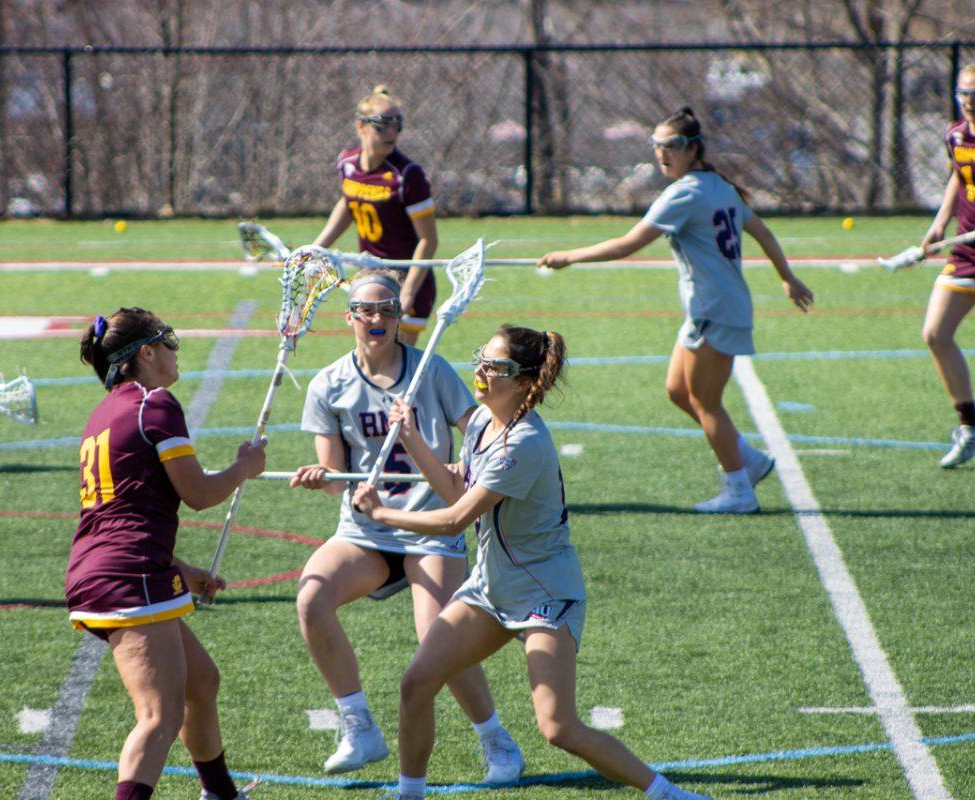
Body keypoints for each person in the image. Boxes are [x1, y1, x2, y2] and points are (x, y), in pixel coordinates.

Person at [353, 325, 712, 800]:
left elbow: (455, 519)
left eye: (495, 367)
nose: (480, 372)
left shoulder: (523, 444)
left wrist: (380, 512)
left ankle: (667, 794)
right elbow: (457, 486)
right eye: (481, 359)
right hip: (491, 588)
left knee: (557, 727)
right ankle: (410, 794)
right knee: (417, 682)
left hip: (545, 592)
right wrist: (413, 437)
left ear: (523, 381)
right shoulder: (482, 421)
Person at [290, 270, 524, 784]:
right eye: (366, 311)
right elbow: (336, 480)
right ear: (349, 316)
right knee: (311, 597)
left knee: (437, 637)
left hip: (430, 526)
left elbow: (479, 427)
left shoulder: (431, 372)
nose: (377, 319)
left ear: (400, 317)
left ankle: (496, 741)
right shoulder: (329, 383)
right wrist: (322, 478)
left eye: (387, 310)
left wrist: (472, 468)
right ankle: (359, 726)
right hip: (365, 531)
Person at [539, 107, 813, 513]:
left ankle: (739, 491)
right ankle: (748, 460)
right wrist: (786, 277)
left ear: (693, 148)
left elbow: (628, 244)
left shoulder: (685, 193)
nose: (662, 154)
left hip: (714, 309)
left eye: (672, 146)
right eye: (656, 146)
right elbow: (761, 230)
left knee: (706, 401)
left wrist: (569, 256)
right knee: (678, 391)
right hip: (711, 308)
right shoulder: (718, 185)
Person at [68, 307, 267, 800]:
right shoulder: (155, 402)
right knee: (159, 715)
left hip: (111, 567)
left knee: (201, 683)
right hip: (127, 574)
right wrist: (244, 467)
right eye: (168, 339)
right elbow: (197, 493)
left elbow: (123, 516)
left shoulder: (104, 411)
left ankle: (220, 793)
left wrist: (184, 571)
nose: (176, 350)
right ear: (147, 353)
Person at [312, 85, 439, 345]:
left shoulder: (407, 175)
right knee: (369, 360)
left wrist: (407, 293)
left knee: (396, 365)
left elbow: (429, 240)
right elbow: (350, 203)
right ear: (361, 125)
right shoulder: (347, 163)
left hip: (405, 281)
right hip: (370, 279)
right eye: (382, 125)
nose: (391, 132)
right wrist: (316, 248)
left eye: (397, 125)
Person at [920, 58, 975, 468]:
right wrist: (939, 223)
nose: (970, 102)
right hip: (970, 254)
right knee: (935, 334)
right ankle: (973, 428)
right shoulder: (955, 134)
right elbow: (959, 177)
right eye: (963, 94)